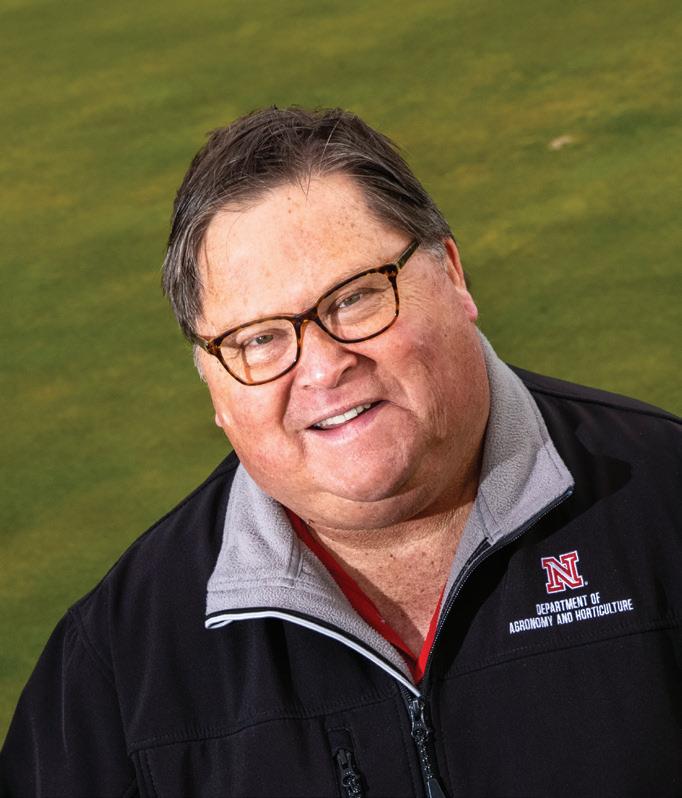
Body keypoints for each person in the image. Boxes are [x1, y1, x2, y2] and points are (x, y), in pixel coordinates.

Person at [1, 107, 680, 798]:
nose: (323, 368)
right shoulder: (118, 665)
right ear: (211, 380)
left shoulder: (667, 502)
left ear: (452, 274)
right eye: (259, 339)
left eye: (355, 298)